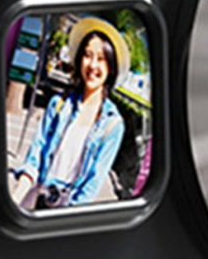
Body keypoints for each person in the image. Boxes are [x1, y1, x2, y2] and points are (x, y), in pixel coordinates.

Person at [11, 18, 129, 209]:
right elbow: (35, 158)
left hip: (68, 209)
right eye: (87, 55)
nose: (92, 65)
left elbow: (91, 186)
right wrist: (14, 199)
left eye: (101, 59)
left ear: (111, 67)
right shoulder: (58, 104)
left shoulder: (112, 125)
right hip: (34, 201)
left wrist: (67, 219)